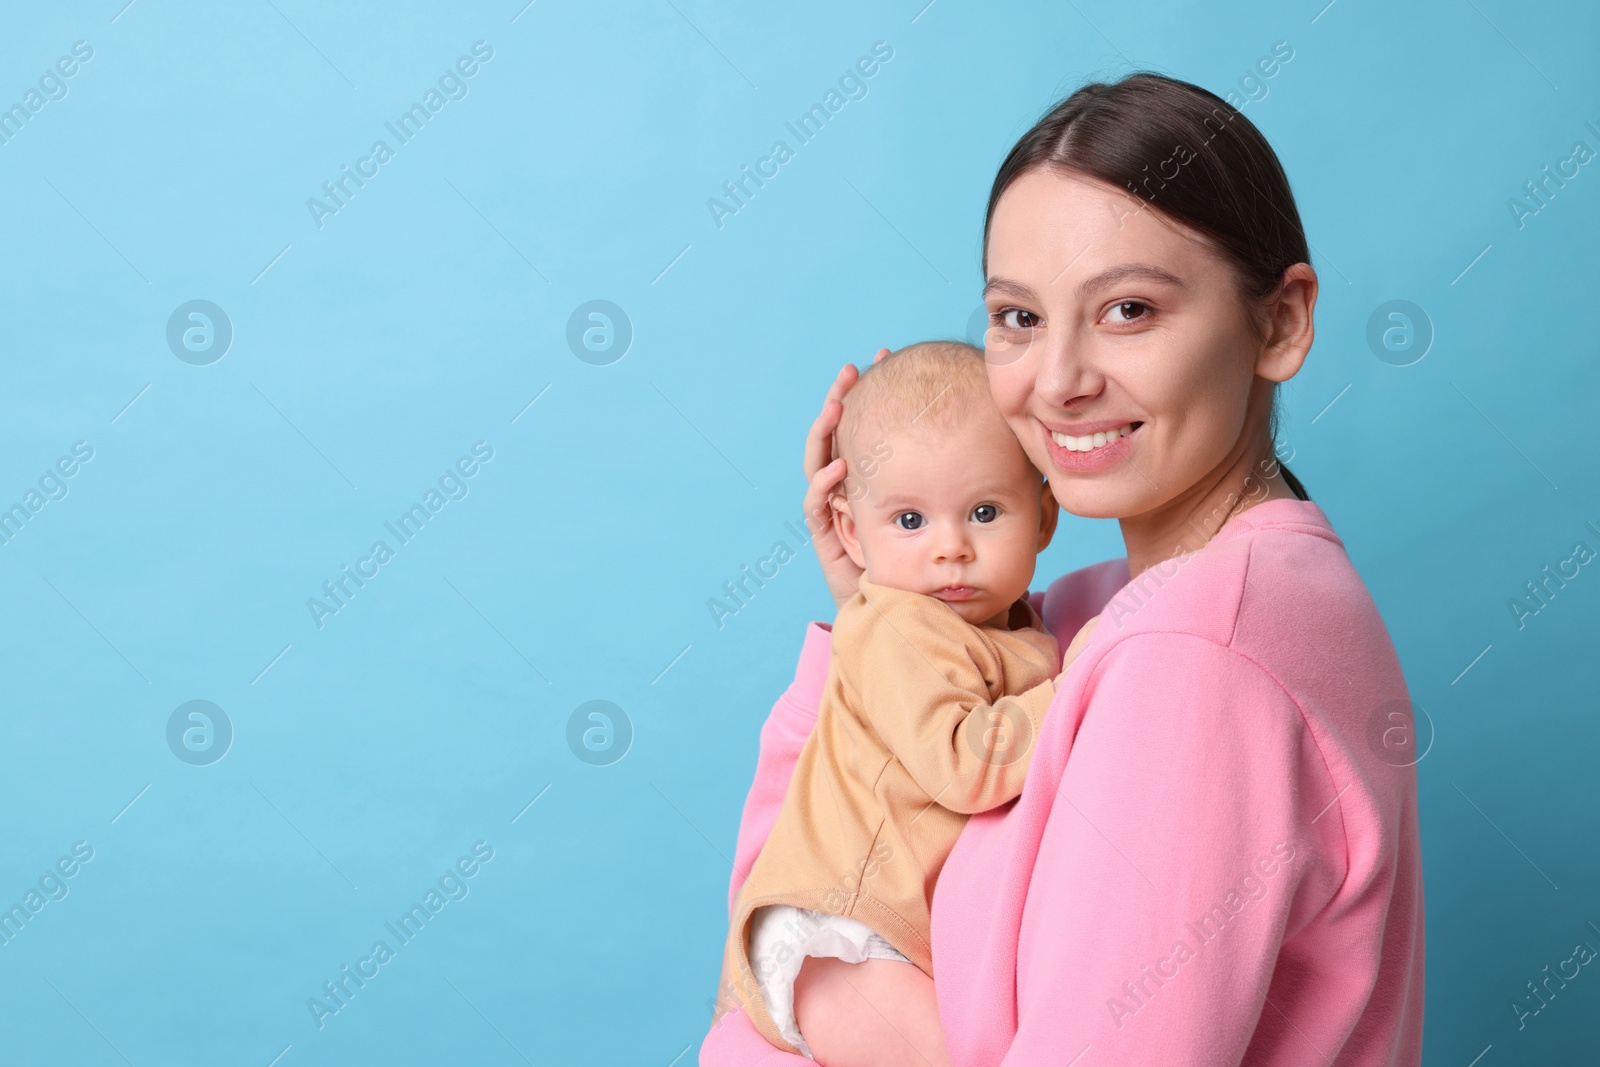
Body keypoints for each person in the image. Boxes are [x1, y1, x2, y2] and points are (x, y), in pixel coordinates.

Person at [701, 72, 1424, 1065]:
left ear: (1279, 322)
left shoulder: (1187, 659)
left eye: (1128, 309)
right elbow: (800, 899)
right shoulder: (1104, 615)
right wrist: (879, 620)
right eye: (1018, 318)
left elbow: (775, 978)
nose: (1058, 381)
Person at [714, 341, 1100, 1064]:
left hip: (886, 936)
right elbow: (965, 763)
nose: (950, 547)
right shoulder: (895, 625)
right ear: (851, 530)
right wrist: (1076, 683)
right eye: (910, 521)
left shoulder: (1011, 626)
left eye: (985, 511)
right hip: (842, 935)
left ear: (1044, 519)